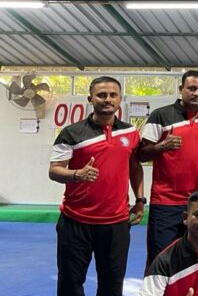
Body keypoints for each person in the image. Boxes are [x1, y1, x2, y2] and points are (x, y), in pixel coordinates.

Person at [49, 76, 144, 296]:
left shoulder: (130, 133)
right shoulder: (71, 132)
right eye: (101, 95)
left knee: (112, 286)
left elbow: (135, 167)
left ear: (120, 99)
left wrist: (140, 200)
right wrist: (76, 174)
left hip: (116, 224)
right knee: (70, 285)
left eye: (113, 95)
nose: (107, 99)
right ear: (90, 99)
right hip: (75, 222)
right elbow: (54, 170)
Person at [138, 70, 198, 267]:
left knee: (192, 260)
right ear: (181, 89)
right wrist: (162, 146)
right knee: (160, 259)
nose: (196, 93)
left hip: (197, 203)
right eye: (192, 88)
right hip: (166, 201)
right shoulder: (161, 115)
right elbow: (141, 154)